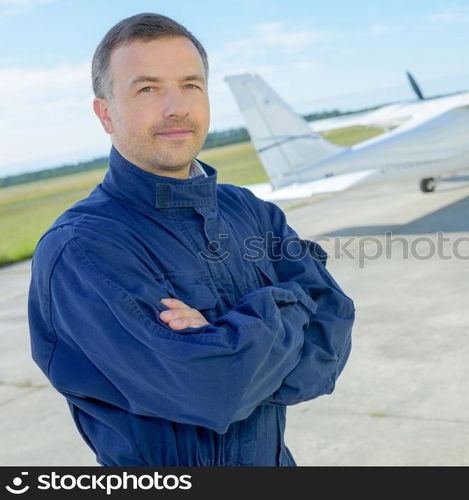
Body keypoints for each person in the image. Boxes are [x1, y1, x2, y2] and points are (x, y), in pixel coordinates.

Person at [27, 12, 354, 467]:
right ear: (105, 113)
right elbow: (216, 389)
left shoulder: (251, 211)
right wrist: (291, 304)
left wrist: (227, 333)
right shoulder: (83, 248)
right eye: (147, 89)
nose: (175, 107)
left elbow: (331, 342)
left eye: (190, 85)